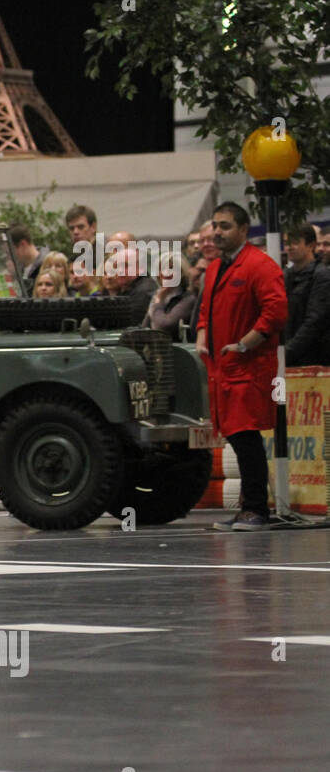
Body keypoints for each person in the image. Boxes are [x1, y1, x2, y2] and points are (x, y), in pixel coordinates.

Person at [196, 201, 287, 531]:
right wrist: (202, 336)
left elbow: (275, 313)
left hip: (247, 368)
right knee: (236, 437)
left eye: (225, 226)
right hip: (223, 368)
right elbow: (205, 310)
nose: (217, 232)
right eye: (215, 225)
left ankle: (256, 509)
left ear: (244, 230)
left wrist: (244, 344)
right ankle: (249, 508)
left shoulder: (260, 266)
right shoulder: (214, 268)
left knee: (246, 438)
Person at [283, 223, 330, 367]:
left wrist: (286, 353)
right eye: (286, 243)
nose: (289, 247)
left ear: (311, 245)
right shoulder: (284, 275)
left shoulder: (322, 276)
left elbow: (314, 322)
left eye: (295, 242)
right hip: (288, 356)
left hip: (315, 360)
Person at [143, 252, 196, 333]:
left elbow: (164, 326)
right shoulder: (158, 294)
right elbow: (145, 327)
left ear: (182, 273)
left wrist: (158, 303)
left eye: (171, 268)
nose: (166, 273)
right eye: (162, 268)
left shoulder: (189, 298)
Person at [105, 246, 157, 317]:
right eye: (117, 266)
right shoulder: (128, 287)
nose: (120, 271)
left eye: (125, 266)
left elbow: (131, 322)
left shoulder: (145, 290)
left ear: (140, 268)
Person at [66, 204, 100, 287]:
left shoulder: (106, 253)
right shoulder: (72, 257)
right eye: (72, 228)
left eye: (80, 227)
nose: (75, 232)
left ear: (93, 227)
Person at [9, 224, 48, 290]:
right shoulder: (19, 269)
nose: (10, 256)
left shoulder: (47, 265)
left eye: (11, 251)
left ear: (22, 244)